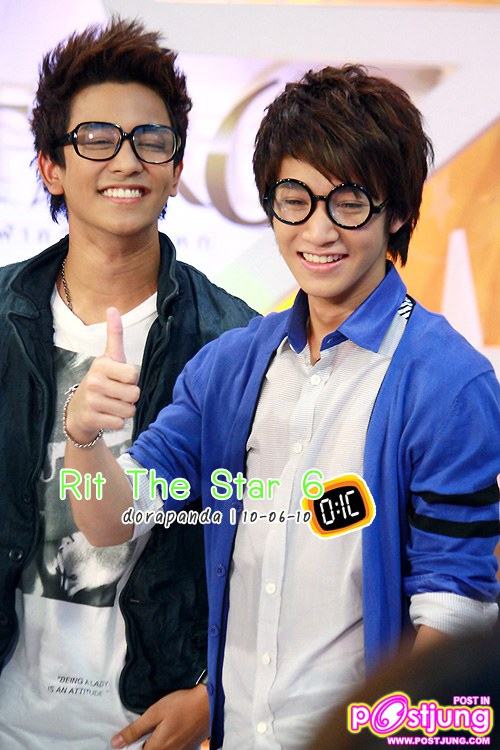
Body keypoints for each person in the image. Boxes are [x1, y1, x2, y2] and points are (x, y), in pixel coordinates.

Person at [63, 66, 500, 749]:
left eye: (349, 202)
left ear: (398, 213)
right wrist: (86, 438)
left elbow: (456, 611)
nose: (318, 231)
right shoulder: (230, 367)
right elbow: (114, 521)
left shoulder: (450, 384)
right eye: (295, 200)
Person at [0, 17, 255, 750]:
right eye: (96, 138)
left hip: (151, 725)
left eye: (150, 139)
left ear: (176, 168)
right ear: (51, 167)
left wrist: (212, 691)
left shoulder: (232, 340)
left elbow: (262, 549)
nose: (126, 159)